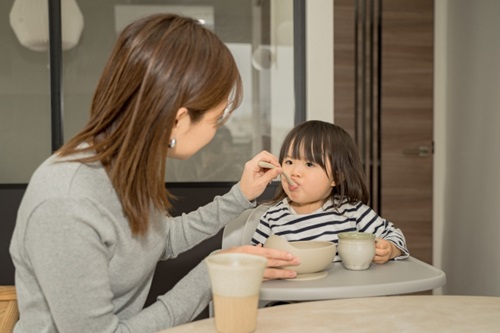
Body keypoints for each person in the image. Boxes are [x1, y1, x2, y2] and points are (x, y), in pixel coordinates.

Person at [9, 14, 299, 333]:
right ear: (179, 119)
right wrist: (212, 274)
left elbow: (161, 239)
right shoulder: (66, 201)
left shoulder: (126, 167)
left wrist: (240, 196)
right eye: (216, 120)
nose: (217, 131)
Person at [251, 120, 409, 264]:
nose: (294, 172)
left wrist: (389, 249)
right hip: (292, 294)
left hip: (343, 294)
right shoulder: (272, 218)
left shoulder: (351, 211)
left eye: (309, 164)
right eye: (289, 161)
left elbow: (394, 234)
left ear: (337, 177)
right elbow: (253, 260)